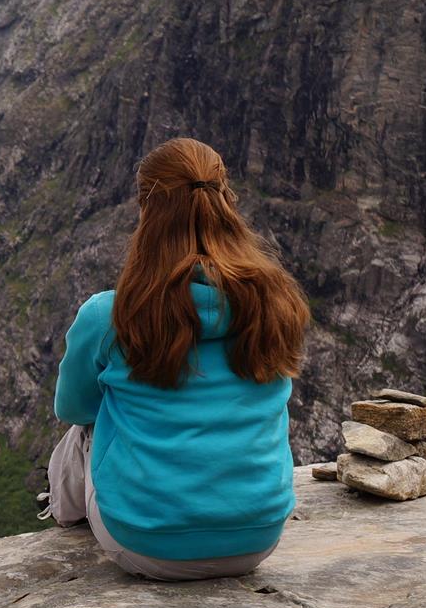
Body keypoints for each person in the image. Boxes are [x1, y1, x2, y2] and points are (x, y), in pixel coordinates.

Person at [39, 137, 311, 581]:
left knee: (88, 425)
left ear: (147, 210)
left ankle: (64, 514)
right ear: (227, 201)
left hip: (145, 544)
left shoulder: (112, 315)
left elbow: (71, 409)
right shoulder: (275, 302)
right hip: (256, 539)